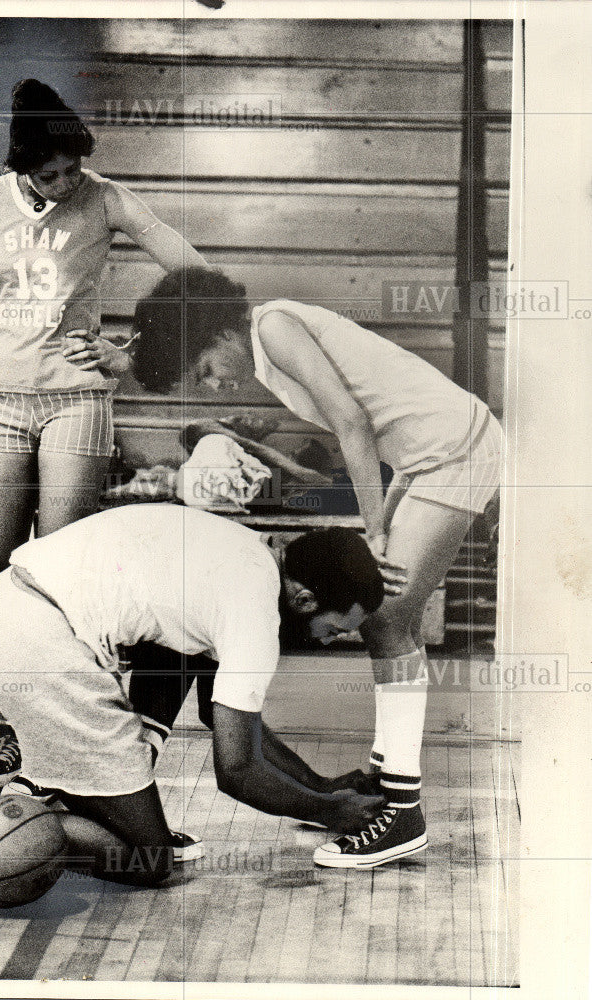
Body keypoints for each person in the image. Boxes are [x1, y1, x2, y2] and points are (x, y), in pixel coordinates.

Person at [131, 267, 503, 868]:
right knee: (389, 625)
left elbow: (353, 421)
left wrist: (373, 529)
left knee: (385, 622)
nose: (217, 387)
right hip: (428, 453)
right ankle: (388, 791)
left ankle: (401, 813)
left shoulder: (274, 327)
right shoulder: (266, 340)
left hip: (452, 449)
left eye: (205, 371)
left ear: (219, 336)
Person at [0, 504, 391, 891]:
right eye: (334, 628)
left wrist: (320, 788)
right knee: (149, 858)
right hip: (43, 642)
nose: (331, 639)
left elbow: (219, 714)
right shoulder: (255, 613)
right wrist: (331, 811)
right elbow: (237, 770)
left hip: (9, 608)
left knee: (175, 668)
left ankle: (72, 795)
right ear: (304, 598)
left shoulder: (244, 549)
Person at [0, 79, 209, 791]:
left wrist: (132, 350)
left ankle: (68, 738)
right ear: (19, 163)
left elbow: (195, 272)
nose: (63, 184)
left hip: (76, 404)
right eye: (47, 173)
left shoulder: (106, 197)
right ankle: (11, 732)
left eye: (71, 171)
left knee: (61, 580)